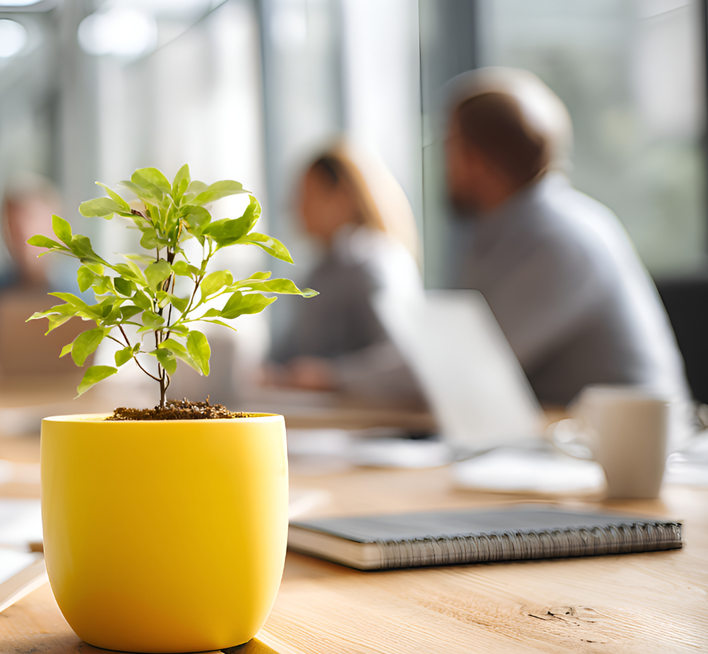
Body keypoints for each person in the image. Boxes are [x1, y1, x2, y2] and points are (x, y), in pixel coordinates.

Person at [444, 67, 692, 419]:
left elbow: (472, 363)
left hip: (627, 449)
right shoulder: (489, 236)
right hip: (555, 435)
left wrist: (345, 378)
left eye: (449, 146)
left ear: (475, 159)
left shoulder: (563, 238)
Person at [269, 141, 424, 399]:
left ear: (341, 196)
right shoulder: (318, 274)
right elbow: (286, 356)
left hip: (371, 420)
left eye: (306, 196)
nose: (296, 209)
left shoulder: (375, 264)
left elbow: (405, 357)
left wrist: (332, 376)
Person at [0, 175, 71, 370]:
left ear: (56, 227)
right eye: (13, 227)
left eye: (31, 223)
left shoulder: (80, 293)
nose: (23, 236)